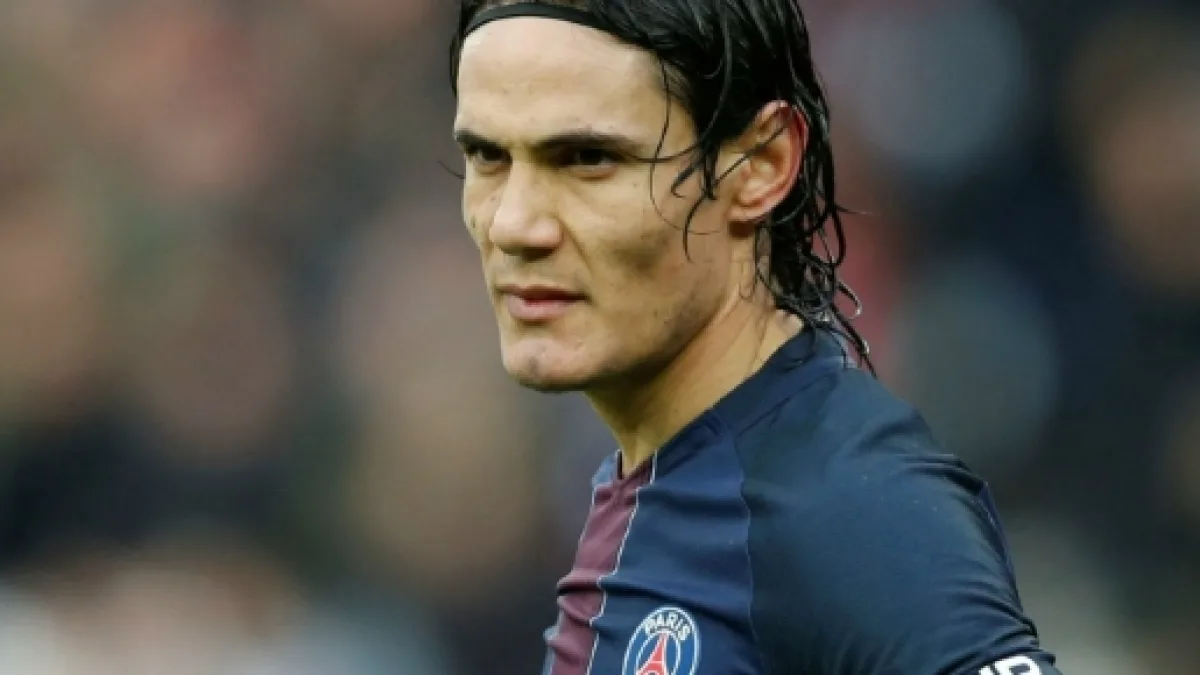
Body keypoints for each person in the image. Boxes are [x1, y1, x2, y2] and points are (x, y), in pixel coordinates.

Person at [448, 1, 1063, 673]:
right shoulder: (669, 484)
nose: (513, 225)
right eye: (487, 156)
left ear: (761, 165)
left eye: (589, 158)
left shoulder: (850, 507)